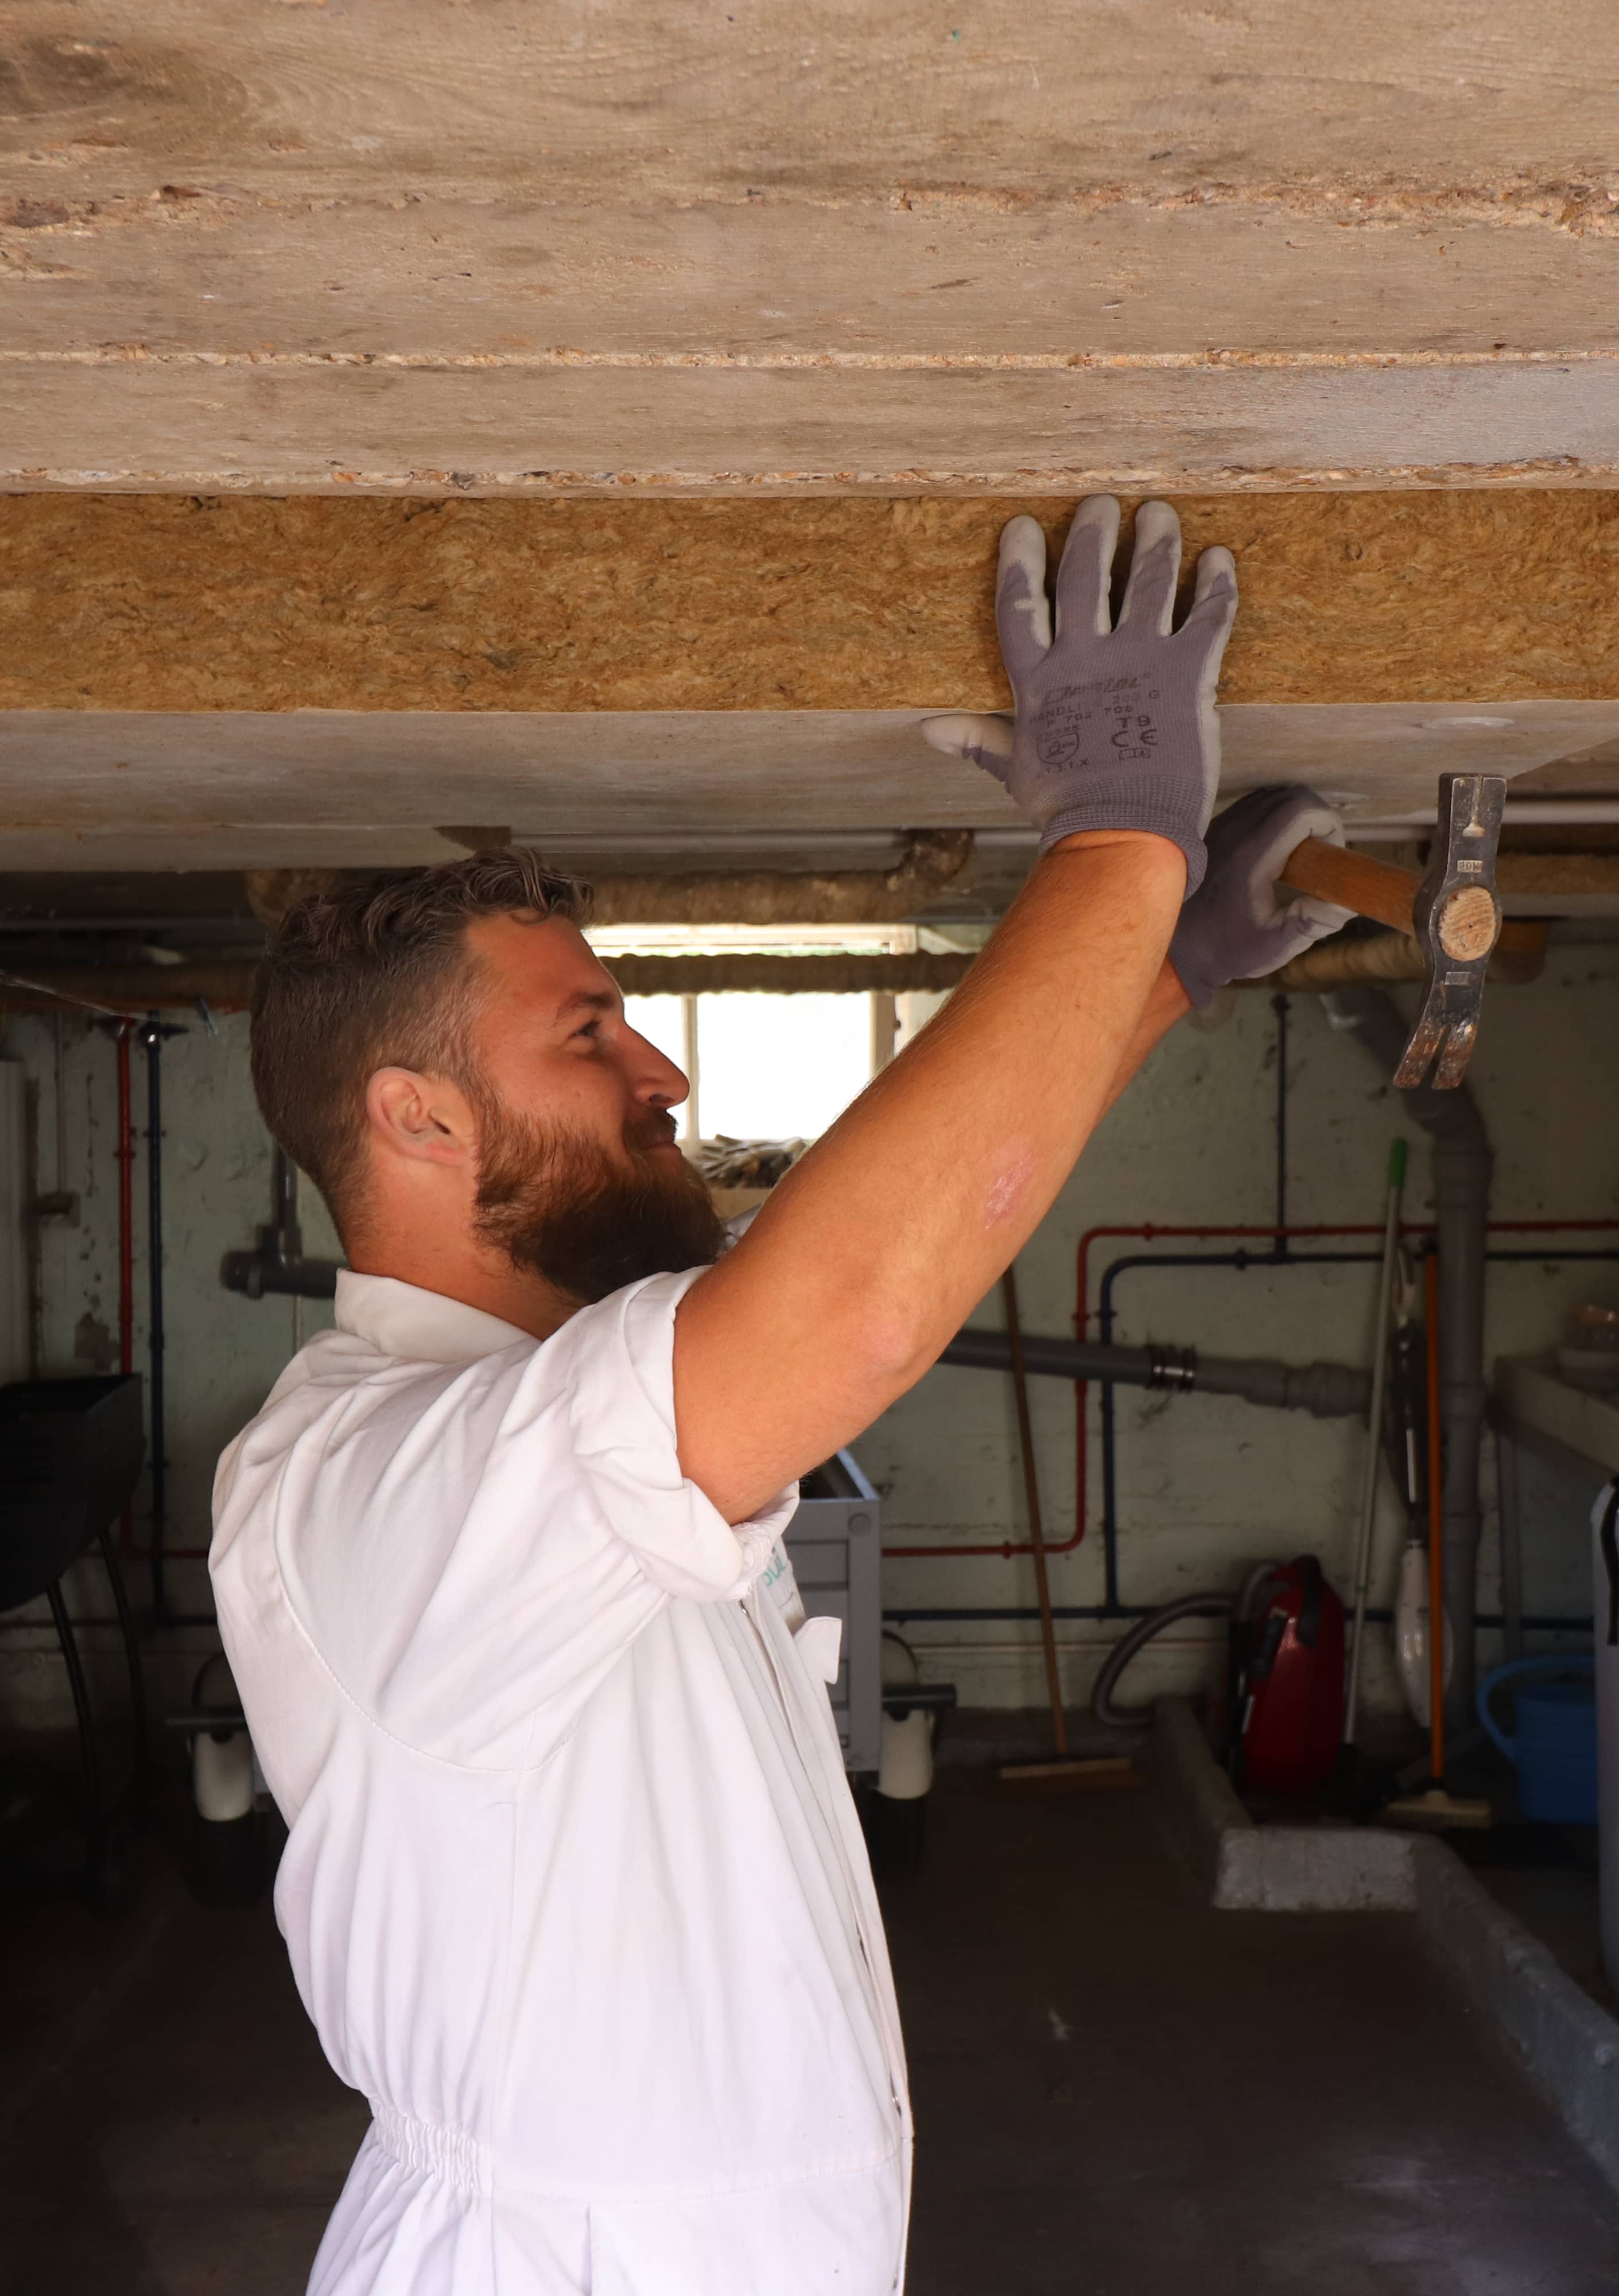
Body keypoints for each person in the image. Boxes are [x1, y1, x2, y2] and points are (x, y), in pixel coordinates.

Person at [209, 496, 1354, 2295]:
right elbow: (849, 1302)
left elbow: (859, 1252)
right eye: (588, 1032)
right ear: (415, 1119)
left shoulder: (518, 1423)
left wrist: (1165, 965)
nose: (660, 1063)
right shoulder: (366, 1480)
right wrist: (1113, 842)